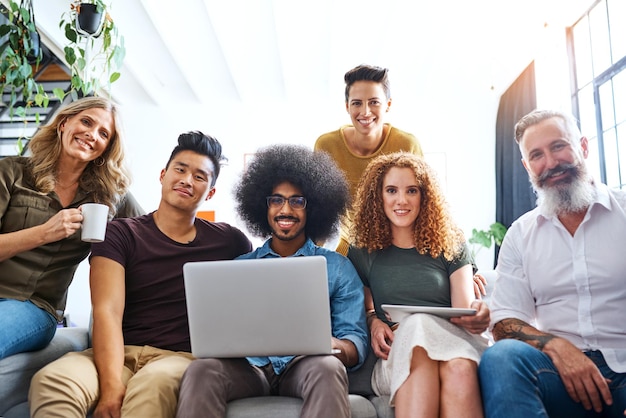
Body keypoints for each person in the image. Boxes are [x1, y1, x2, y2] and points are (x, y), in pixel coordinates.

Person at [29, 132, 252, 418]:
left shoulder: (230, 242)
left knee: (151, 387)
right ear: (163, 175)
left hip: (180, 358)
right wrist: (110, 388)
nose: (186, 180)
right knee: (53, 381)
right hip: (118, 354)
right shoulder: (120, 233)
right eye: (180, 169)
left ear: (209, 192)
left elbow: (254, 298)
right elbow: (106, 311)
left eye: (199, 176)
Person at [176, 144, 368, 418]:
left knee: (328, 367)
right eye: (276, 200)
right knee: (201, 370)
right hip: (250, 370)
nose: (285, 209)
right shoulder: (240, 268)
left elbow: (355, 342)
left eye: (297, 201)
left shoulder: (337, 268)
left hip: (306, 367)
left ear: (312, 208)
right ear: (263, 207)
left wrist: (334, 345)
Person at [478, 109, 626, 418]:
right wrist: (557, 346)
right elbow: (504, 322)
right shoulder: (520, 234)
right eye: (537, 155)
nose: (550, 163)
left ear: (583, 147)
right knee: (502, 358)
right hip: (560, 377)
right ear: (526, 167)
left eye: (559, 146)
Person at [347, 152, 490, 418]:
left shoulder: (451, 244)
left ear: (424, 196)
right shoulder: (362, 251)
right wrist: (373, 321)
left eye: (411, 190)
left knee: (457, 366)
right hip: (398, 355)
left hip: (453, 345)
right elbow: (364, 308)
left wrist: (479, 315)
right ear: (378, 197)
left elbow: (463, 311)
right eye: (391, 190)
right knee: (416, 333)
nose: (401, 200)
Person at [0, 96, 143, 360]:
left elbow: (150, 235)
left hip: (34, 307)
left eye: (103, 134)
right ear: (64, 123)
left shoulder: (109, 196)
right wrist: (45, 232)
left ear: (106, 148)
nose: (91, 135)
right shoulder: (11, 172)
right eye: (86, 122)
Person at [314, 64, 423, 256]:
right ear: (347, 106)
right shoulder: (326, 146)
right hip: (349, 250)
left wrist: (462, 266)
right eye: (357, 103)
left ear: (388, 105)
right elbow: (320, 209)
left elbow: (430, 206)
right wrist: (307, 257)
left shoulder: (406, 144)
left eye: (374, 102)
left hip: (396, 249)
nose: (365, 112)